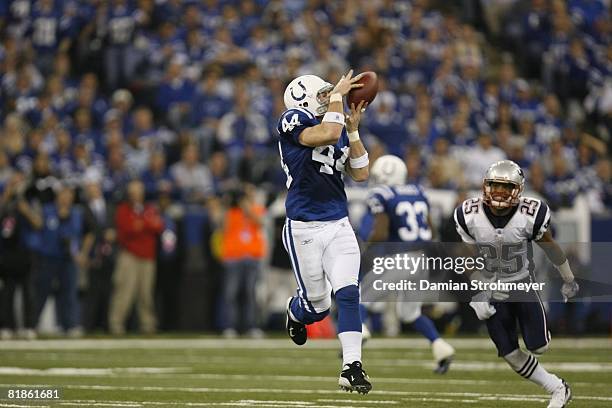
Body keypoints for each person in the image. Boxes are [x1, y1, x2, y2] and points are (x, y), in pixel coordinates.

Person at [454, 160, 579, 408]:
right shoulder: (467, 213)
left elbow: (551, 247)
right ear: (484, 186)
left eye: (505, 187)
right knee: (509, 352)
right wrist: (478, 289)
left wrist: (568, 279)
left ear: (518, 189)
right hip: (492, 288)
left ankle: (539, 336)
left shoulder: (530, 214)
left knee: (539, 346)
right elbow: (464, 255)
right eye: (494, 186)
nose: (499, 192)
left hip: (521, 284)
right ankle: (557, 387)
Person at [278, 70, 372, 393]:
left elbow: (360, 173)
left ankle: (351, 367)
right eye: (320, 96)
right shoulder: (291, 121)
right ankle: (295, 311)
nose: (327, 99)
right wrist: (336, 99)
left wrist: (355, 131)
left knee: (348, 293)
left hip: (338, 223)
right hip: (304, 227)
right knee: (317, 308)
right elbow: (328, 133)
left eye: (326, 95)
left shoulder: (337, 126)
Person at [359, 155, 456, 374]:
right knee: (409, 312)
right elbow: (430, 230)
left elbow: (381, 232)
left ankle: (360, 333)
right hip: (421, 259)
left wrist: (367, 245)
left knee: (360, 298)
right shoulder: (418, 191)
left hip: (399, 258)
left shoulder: (381, 194)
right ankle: (441, 347)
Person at [109, 180, 164, 335]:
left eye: (139, 191)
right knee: (125, 291)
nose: (136, 194)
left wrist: (142, 224)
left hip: (148, 256)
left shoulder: (149, 209)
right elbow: (127, 229)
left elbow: (158, 226)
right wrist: (145, 224)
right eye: (133, 191)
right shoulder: (123, 210)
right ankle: (116, 323)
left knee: (145, 293)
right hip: (129, 255)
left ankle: (147, 324)